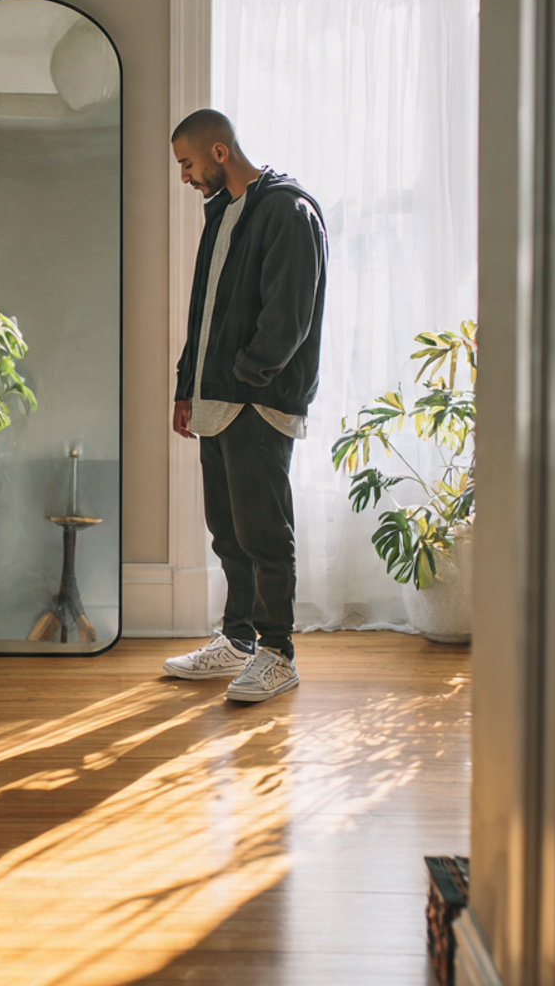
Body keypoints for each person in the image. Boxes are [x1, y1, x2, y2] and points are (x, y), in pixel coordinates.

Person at [164, 109, 327, 702]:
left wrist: (245, 378)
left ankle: (278, 653)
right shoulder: (223, 214)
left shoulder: (287, 210)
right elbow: (203, 314)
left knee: (264, 531)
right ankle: (237, 640)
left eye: (187, 163)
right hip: (216, 397)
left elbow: (288, 315)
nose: (184, 177)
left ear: (218, 153)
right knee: (226, 528)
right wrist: (190, 386)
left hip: (256, 400)